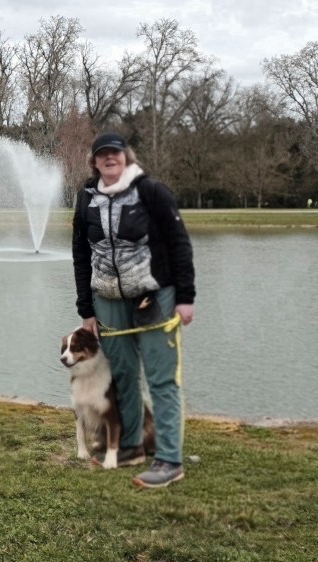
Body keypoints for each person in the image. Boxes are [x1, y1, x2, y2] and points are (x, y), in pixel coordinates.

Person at [72, 132, 196, 488]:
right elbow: (81, 254)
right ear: (94, 161)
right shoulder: (86, 198)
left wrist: (185, 297)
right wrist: (86, 310)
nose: (109, 158)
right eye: (102, 154)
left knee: (161, 378)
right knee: (122, 374)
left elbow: (179, 243)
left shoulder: (151, 191)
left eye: (115, 152)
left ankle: (169, 459)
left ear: (126, 156)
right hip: (107, 300)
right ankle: (130, 446)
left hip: (155, 295)